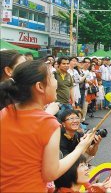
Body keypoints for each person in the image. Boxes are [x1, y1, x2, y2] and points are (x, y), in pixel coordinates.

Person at [0, 60, 95, 192]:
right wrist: (80, 148)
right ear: (40, 86)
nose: (56, 82)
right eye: (51, 77)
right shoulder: (49, 123)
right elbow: (51, 173)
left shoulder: (4, 112)